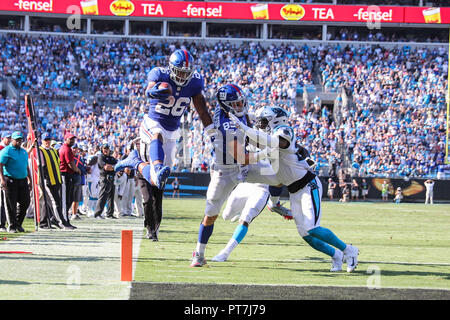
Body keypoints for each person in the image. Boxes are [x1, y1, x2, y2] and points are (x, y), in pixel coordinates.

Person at [228, 106, 359, 273]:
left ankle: (348, 250)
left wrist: (244, 128)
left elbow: (274, 142)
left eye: (263, 120)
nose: (260, 124)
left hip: (308, 185)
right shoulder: (266, 137)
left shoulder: (283, 131)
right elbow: (254, 146)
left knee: (312, 227)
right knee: (306, 235)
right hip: (294, 190)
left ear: (274, 120)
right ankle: (336, 255)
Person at [114, 49, 213, 241]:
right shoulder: (160, 74)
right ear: (171, 68)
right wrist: (155, 91)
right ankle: (152, 165)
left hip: (172, 132)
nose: (183, 76)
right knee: (156, 136)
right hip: (152, 123)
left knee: (158, 186)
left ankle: (135, 162)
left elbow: (201, 110)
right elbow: (148, 90)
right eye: (180, 71)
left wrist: (212, 134)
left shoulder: (195, 83)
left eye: (187, 72)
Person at [189, 84, 285, 268]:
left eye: (241, 102)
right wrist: (267, 151)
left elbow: (207, 112)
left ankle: (275, 203)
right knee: (211, 215)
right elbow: (243, 157)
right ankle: (199, 253)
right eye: (236, 103)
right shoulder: (226, 127)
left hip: (243, 165)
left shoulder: (227, 110)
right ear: (226, 106)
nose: (240, 106)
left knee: (278, 177)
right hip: (225, 171)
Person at [38, 132, 74, 230]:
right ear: (42, 141)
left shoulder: (54, 150)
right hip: (47, 180)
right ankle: (61, 222)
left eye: (49, 139)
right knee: (55, 202)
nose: (47, 142)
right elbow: (40, 166)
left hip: (56, 179)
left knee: (48, 202)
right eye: (45, 140)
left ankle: (44, 222)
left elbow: (58, 164)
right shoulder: (40, 150)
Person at [0, 131, 31, 233]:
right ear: (12, 140)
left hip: (22, 180)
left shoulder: (23, 152)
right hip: (10, 180)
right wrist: (2, 179)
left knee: (26, 202)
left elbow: (26, 166)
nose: (18, 141)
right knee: (10, 204)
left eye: (20, 140)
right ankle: (12, 226)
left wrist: (29, 178)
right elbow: (0, 165)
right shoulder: (6, 151)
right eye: (16, 140)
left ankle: (18, 223)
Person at [59, 132, 80, 229]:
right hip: (65, 175)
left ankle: (65, 220)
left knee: (68, 199)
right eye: (70, 139)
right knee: (65, 200)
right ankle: (64, 221)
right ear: (66, 139)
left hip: (67, 175)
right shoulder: (66, 149)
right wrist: (78, 170)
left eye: (73, 139)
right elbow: (71, 164)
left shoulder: (66, 149)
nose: (72, 141)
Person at [94, 143, 118, 219]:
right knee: (103, 196)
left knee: (111, 196)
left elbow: (118, 165)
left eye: (107, 148)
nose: (106, 150)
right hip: (104, 178)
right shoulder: (101, 157)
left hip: (111, 178)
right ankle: (98, 214)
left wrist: (113, 167)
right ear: (102, 149)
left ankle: (110, 214)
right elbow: (106, 167)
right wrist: (114, 167)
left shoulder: (111, 158)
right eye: (105, 148)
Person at [0, 131, 11, 232]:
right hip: (2, 177)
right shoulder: (1, 148)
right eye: (7, 138)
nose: (9, 139)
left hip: (7, 177)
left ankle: (6, 222)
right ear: (2, 138)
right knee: (2, 202)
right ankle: (1, 223)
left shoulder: (9, 148)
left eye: (10, 137)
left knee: (6, 201)